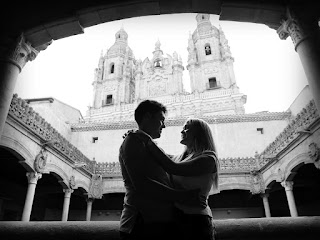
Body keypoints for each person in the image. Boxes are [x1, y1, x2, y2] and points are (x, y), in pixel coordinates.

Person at [118, 100, 205, 240]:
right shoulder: (133, 141)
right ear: (147, 117)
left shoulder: (146, 143)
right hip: (141, 223)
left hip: (155, 221)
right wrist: (182, 196)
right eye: (161, 120)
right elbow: (141, 184)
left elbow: (172, 163)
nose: (164, 125)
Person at [134, 117, 219, 240]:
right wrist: (137, 139)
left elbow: (172, 167)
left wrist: (148, 141)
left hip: (196, 221)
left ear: (199, 134)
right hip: (178, 217)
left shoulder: (209, 159)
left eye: (186, 129)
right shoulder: (182, 157)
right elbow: (162, 157)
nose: (182, 131)